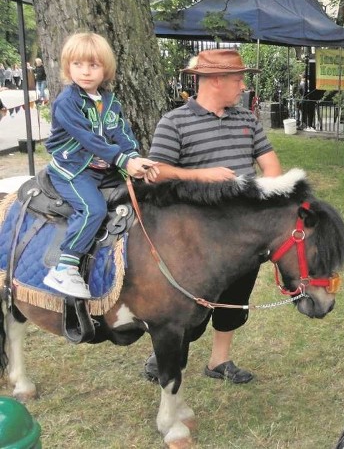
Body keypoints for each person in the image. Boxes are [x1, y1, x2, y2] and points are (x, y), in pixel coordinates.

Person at [143, 49, 282, 384]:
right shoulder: (174, 122)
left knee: (235, 299)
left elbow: (271, 166)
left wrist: (262, 198)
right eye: (238, 79)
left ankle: (219, 361)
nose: (243, 85)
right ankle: (167, 349)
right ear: (215, 80)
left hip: (241, 233)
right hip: (195, 238)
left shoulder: (247, 120)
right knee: (190, 304)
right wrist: (202, 176)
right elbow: (156, 172)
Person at [42, 32, 158, 299]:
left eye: (93, 65)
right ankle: (66, 265)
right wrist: (122, 161)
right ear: (67, 67)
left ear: (105, 69)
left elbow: (122, 133)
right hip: (73, 170)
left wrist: (134, 157)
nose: (85, 72)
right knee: (93, 209)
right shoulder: (66, 102)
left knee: (138, 197)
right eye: (78, 65)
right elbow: (89, 138)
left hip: (103, 169)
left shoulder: (109, 101)